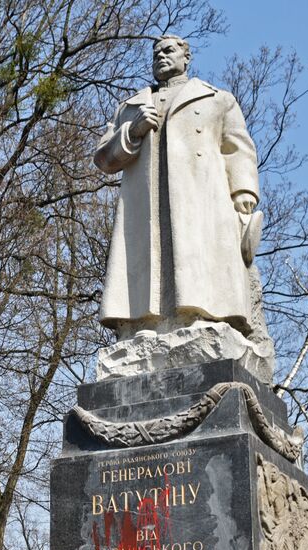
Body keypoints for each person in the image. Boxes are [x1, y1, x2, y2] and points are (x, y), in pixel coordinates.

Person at [93, 34, 263, 342]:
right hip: (145, 203)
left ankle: (201, 316)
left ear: (187, 57)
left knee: (197, 257)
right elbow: (104, 159)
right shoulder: (130, 108)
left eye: (169, 50)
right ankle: (144, 322)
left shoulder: (217, 99)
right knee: (147, 259)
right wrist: (133, 131)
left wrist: (244, 194)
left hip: (199, 201)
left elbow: (238, 148)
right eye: (156, 52)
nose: (161, 56)